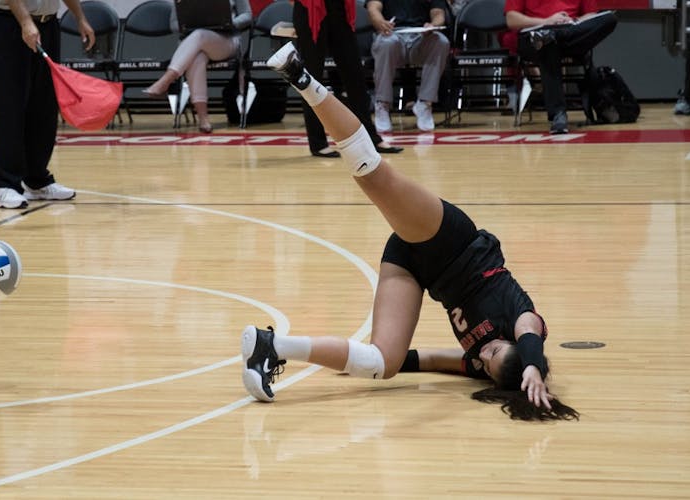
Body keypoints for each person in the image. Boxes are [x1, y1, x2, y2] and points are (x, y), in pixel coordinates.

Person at [241, 41, 580, 421]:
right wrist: (535, 367)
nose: (482, 357)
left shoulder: (480, 363)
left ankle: (272, 346)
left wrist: (346, 359)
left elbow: (427, 360)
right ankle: (301, 77)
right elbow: (530, 333)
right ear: (515, 347)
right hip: (452, 242)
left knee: (379, 363)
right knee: (373, 174)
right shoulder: (522, 320)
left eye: (487, 367)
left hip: (417, 267)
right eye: (494, 354)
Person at [0, 0, 95, 209]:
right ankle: (3, 185)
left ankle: (36, 180)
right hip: (10, 23)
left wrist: (79, 17)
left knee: (44, 105)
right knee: (11, 104)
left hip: (47, 24)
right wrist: (26, 22)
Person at [292, 0, 403, 157]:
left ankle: (371, 137)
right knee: (312, 78)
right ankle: (318, 143)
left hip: (339, 10)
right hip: (310, 9)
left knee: (355, 76)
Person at [504, 2, 617, 134]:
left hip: (570, 31)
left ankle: (554, 35)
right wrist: (547, 21)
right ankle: (558, 114)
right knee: (547, 42)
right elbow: (511, 20)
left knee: (609, 19)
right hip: (534, 35)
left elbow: (591, 15)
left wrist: (572, 20)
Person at [143, 0, 253, 134]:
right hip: (193, 44)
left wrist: (229, 23)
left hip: (226, 41)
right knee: (197, 56)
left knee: (200, 35)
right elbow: (174, 24)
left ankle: (167, 79)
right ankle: (203, 119)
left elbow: (247, 15)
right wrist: (189, 26)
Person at [366, 0, 451, 133]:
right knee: (387, 43)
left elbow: (438, 13)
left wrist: (433, 25)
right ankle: (382, 105)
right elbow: (373, 8)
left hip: (421, 36)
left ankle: (425, 103)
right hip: (392, 34)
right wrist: (380, 21)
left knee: (441, 42)